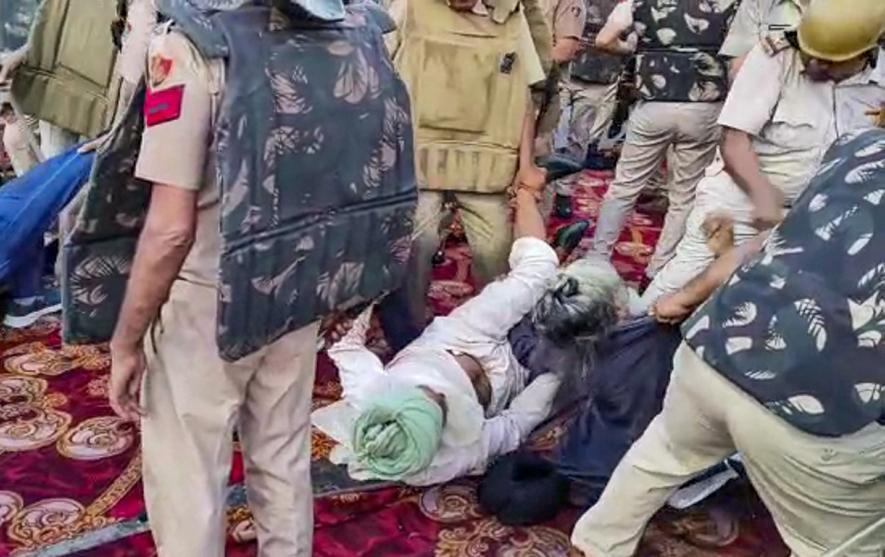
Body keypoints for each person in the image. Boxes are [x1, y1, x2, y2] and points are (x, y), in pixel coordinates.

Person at [100, 0, 416, 555]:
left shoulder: (194, 45)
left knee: (190, 477)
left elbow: (170, 230)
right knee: (282, 455)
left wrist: (126, 341)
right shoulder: (350, 34)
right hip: (296, 282)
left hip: (205, 295)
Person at [572, 125, 885, 557]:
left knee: (662, 454)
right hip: (818, 407)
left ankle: (595, 545)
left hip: (717, 346)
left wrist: (682, 299)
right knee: (841, 544)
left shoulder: (864, 143)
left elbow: (773, 244)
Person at [313, 181, 635, 486]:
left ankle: (527, 194)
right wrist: (552, 381)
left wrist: (368, 291)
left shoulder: (369, 395)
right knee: (569, 346)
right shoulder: (451, 460)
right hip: (509, 378)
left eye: (426, 390)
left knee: (537, 272)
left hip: (459, 337)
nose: (440, 392)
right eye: (442, 404)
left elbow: (345, 346)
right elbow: (513, 425)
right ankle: (561, 283)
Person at [642, 0, 885, 306]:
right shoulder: (775, 57)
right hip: (739, 206)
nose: (813, 66)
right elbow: (734, 139)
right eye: (810, 55)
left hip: (815, 218)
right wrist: (763, 197)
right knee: (678, 291)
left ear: (868, 52)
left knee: (761, 309)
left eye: (828, 62)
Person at [386, 0, 551, 329]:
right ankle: (409, 331)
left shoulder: (512, 14)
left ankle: (494, 329)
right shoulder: (409, 6)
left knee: (496, 254)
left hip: (487, 163)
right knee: (415, 249)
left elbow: (525, 97)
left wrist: (527, 165)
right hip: (419, 158)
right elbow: (377, 76)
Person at [587, 0, 738, 278]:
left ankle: (597, 257)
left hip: (653, 104)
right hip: (704, 106)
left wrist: (632, 50)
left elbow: (604, 39)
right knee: (684, 195)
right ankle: (658, 269)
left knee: (625, 186)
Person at [548, 0, 629, 220]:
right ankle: (542, 187)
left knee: (579, 138)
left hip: (600, 74)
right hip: (563, 70)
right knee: (548, 132)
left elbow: (631, 38)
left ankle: (565, 191)